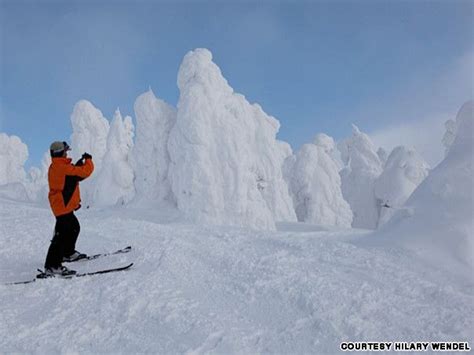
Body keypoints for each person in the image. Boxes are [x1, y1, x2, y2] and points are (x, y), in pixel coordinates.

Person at [44, 141, 94, 276]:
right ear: (61, 152)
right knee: (61, 236)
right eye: (66, 151)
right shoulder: (63, 168)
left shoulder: (57, 166)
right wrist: (88, 160)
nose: (67, 153)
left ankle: (68, 253)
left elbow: (70, 178)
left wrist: (77, 166)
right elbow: (84, 173)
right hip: (62, 207)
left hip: (62, 205)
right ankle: (52, 266)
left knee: (74, 227)